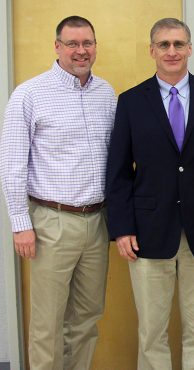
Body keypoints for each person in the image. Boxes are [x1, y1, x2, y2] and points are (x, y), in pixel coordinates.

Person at [105, 18, 194, 370]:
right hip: (147, 232)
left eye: (178, 44)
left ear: (190, 48)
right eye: (163, 45)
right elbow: (117, 172)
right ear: (152, 51)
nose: (172, 51)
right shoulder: (131, 101)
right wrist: (121, 228)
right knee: (151, 331)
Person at [0, 15, 116, 370]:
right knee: (47, 323)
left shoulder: (106, 93)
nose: (81, 51)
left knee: (86, 318)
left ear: (95, 46)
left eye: (87, 44)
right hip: (52, 223)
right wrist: (21, 224)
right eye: (72, 44)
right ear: (57, 47)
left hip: (98, 223)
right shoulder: (30, 94)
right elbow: (12, 163)